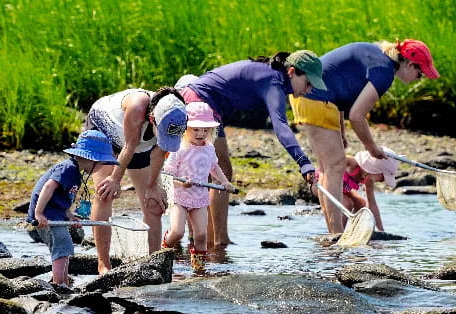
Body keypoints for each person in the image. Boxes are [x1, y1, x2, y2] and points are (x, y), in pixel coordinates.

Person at [175, 50, 327, 246]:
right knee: (217, 170)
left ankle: (213, 240)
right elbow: (281, 127)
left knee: (218, 170)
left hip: (204, 103)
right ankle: (215, 242)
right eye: (308, 83)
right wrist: (304, 162)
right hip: (198, 102)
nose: (309, 90)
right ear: (291, 72)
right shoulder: (273, 82)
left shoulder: (273, 77)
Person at [289, 39, 439, 234]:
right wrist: (372, 148)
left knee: (329, 169)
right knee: (334, 168)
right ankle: (336, 235)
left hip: (307, 96)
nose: (420, 78)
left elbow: (338, 85)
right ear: (410, 64)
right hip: (314, 98)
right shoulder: (384, 72)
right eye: (420, 73)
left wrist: (340, 130)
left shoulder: (374, 54)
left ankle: (333, 235)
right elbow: (357, 116)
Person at [86, 87, 187, 274]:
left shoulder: (178, 116)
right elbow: (129, 146)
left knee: (154, 205)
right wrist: (115, 179)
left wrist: (153, 186)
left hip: (136, 144)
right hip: (105, 130)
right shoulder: (138, 106)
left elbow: (159, 153)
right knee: (105, 194)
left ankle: (154, 264)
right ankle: (103, 265)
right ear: (152, 118)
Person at [26, 130, 118, 286]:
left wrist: (69, 216)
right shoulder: (68, 169)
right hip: (48, 215)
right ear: (90, 158)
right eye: (101, 162)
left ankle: (65, 281)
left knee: (65, 246)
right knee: (61, 247)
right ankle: (58, 283)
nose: (102, 166)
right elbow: (48, 187)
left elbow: (63, 199)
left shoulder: (76, 172)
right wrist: (39, 213)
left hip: (56, 214)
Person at [162, 102, 235, 274]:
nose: (201, 133)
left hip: (199, 198)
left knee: (201, 235)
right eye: (196, 129)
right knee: (178, 231)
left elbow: (214, 167)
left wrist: (224, 182)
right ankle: (164, 249)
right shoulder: (179, 148)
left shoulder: (209, 148)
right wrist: (182, 182)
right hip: (179, 197)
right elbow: (167, 174)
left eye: (205, 130)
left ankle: (199, 270)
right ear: (186, 128)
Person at [310, 146, 399, 232]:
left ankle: (352, 230)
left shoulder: (369, 179)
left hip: (341, 189)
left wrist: (381, 231)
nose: (383, 181)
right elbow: (331, 161)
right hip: (320, 184)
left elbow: (372, 205)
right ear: (374, 169)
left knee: (361, 203)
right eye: (383, 177)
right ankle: (338, 233)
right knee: (347, 203)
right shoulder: (352, 163)